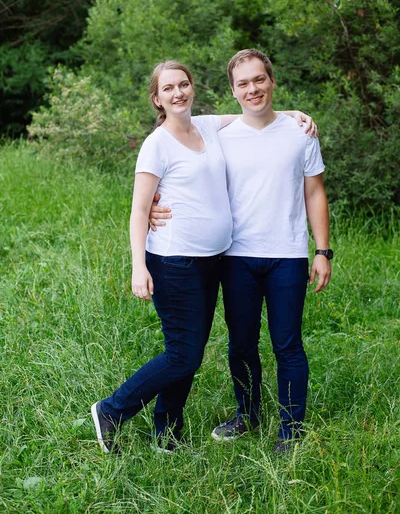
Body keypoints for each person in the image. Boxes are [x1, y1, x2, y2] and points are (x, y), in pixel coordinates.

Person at [91, 59, 316, 454]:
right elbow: (140, 209)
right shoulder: (156, 143)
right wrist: (138, 265)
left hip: (213, 261)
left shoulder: (208, 128)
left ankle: (167, 433)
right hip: (174, 261)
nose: (177, 93)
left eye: (184, 84)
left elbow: (249, 112)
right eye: (168, 89)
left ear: (193, 88)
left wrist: (294, 115)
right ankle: (112, 409)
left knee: (186, 351)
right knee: (184, 354)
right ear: (156, 99)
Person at [150, 49, 332, 453]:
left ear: (271, 80)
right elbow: (171, 149)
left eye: (259, 80)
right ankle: (247, 414)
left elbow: (315, 191)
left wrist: (323, 250)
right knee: (242, 343)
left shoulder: (299, 132)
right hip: (234, 258)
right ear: (232, 91)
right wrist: (151, 207)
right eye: (243, 83)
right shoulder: (218, 134)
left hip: (287, 255)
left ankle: (291, 429)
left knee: (288, 343)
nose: (253, 89)